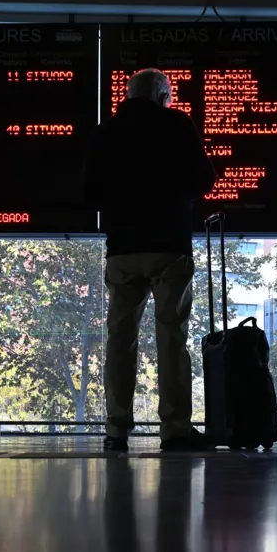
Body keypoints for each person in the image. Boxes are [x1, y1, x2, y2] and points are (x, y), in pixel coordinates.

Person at [82, 68, 217, 452]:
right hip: (169, 247)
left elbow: (89, 194)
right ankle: (174, 430)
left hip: (122, 249)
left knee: (120, 339)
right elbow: (204, 180)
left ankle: (116, 431)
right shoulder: (177, 124)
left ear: (129, 95)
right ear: (162, 96)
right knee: (171, 338)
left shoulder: (104, 131)